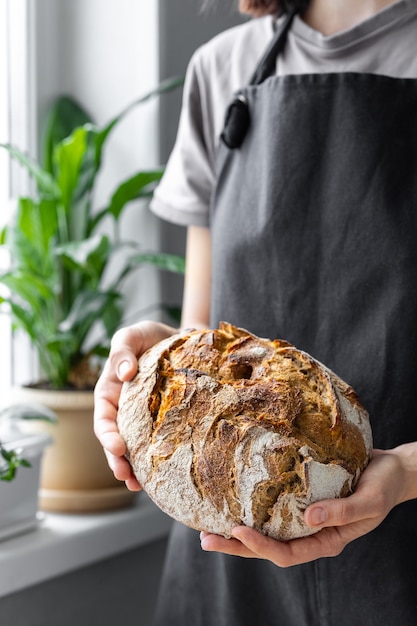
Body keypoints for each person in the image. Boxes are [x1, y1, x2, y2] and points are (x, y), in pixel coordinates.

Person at [94, 0, 417, 623]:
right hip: (229, 543)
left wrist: (404, 471)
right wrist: (159, 363)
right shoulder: (224, 69)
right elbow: (203, 327)